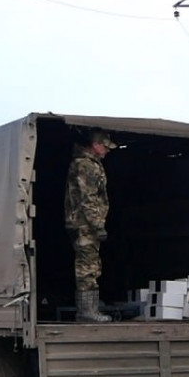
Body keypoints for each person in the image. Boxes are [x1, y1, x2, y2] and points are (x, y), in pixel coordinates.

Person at [65, 129, 119, 322]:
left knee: (91, 265)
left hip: (82, 222)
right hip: (85, 224)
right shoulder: (86, 165)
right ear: (96, 145)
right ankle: (87, 311)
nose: (107, 151)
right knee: (87, 267)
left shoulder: (88, 163)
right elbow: (87, 199)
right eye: (105, 146)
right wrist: (97, 225)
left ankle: (90, 307)